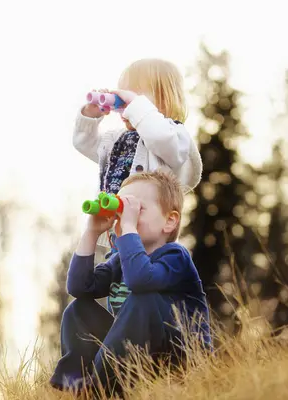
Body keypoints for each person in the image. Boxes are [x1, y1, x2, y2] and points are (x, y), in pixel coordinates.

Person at [49, 170, 212, 396]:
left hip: (180, 359)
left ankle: (98, 388)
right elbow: (79, 287)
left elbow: (140, 280)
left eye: (136, 210)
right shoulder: (119, 261)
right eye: (121, 212)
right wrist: (92, 232)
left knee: (143, 299)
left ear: (170, 221)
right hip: (133, 358)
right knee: (78, 309)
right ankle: (77, 384)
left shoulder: (175, 257)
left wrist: (128, 228)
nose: (125, 218)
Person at [73, 57, 203, 316]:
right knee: (119, 300)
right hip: (119, 237)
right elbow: (84, 143)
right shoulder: (116, 140)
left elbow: (161, 138)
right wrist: (89, 116)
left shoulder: (173, 136)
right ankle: (124, 350)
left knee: (143, 292)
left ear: (163, 100)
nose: (124, 105)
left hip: (151, 240)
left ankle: (155, 346)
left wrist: (136, 107)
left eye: (133, 96)